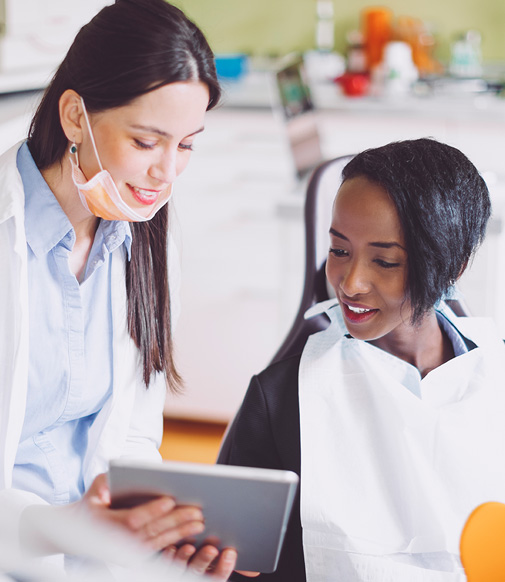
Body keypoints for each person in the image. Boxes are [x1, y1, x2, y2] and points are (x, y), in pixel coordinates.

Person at [0, 0, 237, 577]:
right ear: (76, 116)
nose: (167, 174)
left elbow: (132, 432)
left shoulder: (144, 244)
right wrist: (65, 529)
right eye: (146, 142)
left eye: (185, 145)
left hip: (97, 554)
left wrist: (156, 532)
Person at [219, 138, 505, 582]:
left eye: (385, 261)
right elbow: (235, 564)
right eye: (339, 250)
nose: (351, 283)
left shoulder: (494, 380)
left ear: (454, 264)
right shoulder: (281, 400)